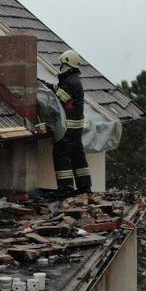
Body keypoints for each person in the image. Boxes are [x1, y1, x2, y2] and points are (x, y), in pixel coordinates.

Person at [51, 50, 92, 195]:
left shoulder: (70, 82)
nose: (60, 66)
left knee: (61, 154)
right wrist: (50, 86)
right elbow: (61, 92)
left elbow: (56, 100)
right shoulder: (74, 80)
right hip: (76, 126)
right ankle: (84, 187)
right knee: (77, 154)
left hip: (68, 127)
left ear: (66, 63)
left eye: (61, 63)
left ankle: (65, 189)